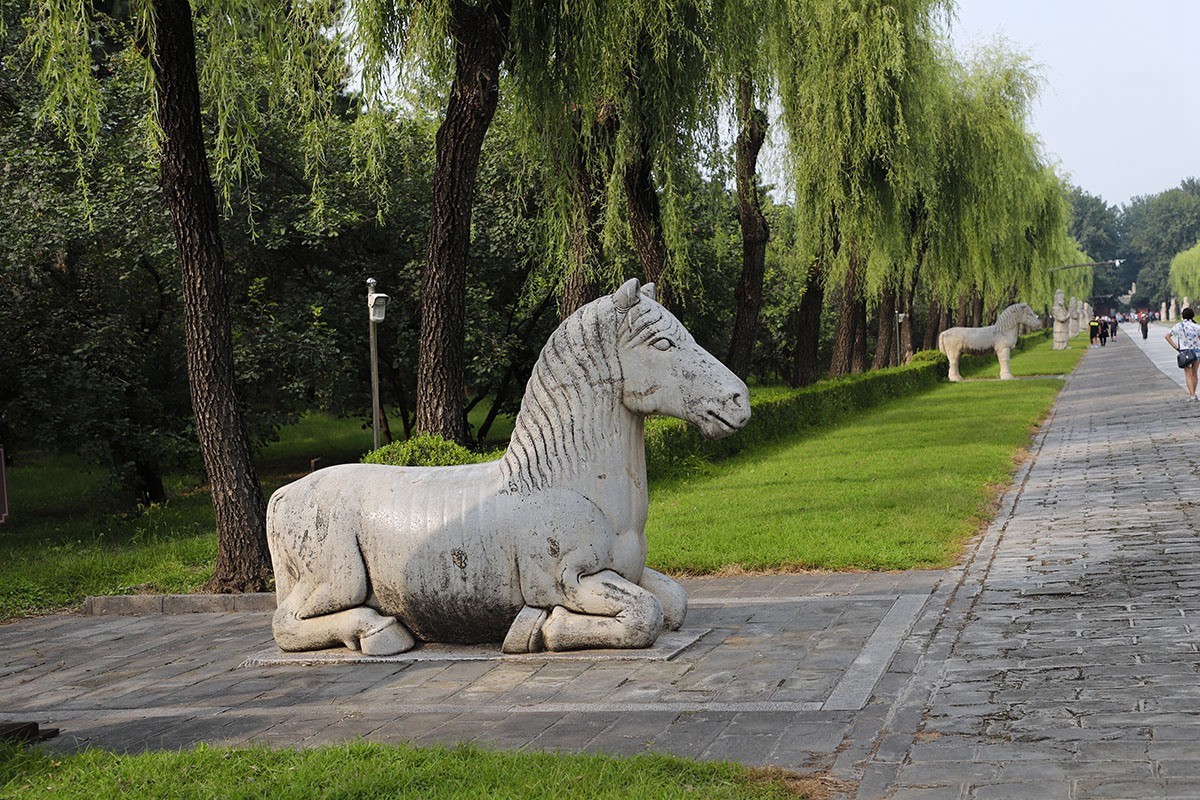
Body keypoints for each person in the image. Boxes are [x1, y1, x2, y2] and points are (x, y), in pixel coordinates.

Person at [1165, 307, 1200, 401]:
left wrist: (1175, 347)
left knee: (1188, 374)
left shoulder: (1178, 326)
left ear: (1182, 316)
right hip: (1196, 351)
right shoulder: (1197, 326)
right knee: (1194, 373)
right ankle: (1195, 393)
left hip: (1185, 352)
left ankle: (1192, 395)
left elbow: (1167, 336)